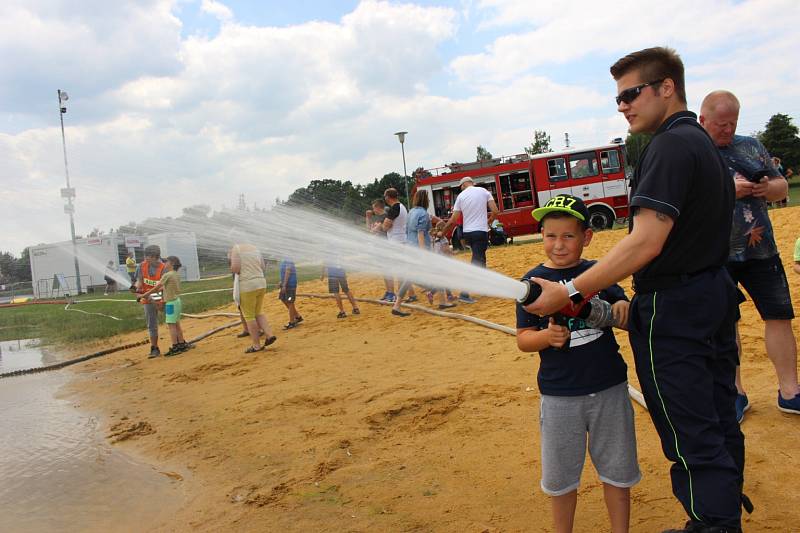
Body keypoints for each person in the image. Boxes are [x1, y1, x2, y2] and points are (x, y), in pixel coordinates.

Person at [526, 47, 746, 533]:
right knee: (718, 418)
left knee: (690, 432)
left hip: (676, 310)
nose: (622, 105)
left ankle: (714, 525)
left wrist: (568, 292)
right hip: (713, 298)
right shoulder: (705, 143)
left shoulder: (668, 146)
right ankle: (723, 515)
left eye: (631, 93)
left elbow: (645, 241)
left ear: (666, 87)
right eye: (618, 97)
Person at [517, 195, 639, 533]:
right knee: (561, 479)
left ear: (586, 237)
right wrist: (546, 339)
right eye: (550, 236)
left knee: (617, 472)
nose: (558, 245)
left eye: (568, 236)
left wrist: (624, 305)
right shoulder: (533, 284)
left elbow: (621, 305)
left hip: (609, 388)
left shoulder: (596, 273)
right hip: (560, 396)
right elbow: (523, 338)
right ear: (541, 236)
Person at [699, 90, 800, 420]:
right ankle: (735, 394)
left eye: (733, 123)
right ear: (703, 120)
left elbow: (782, 186)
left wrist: (767, 189)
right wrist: (730, 189)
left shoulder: (751, 146)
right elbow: (687, 199)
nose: (727, 130)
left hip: (762, 251)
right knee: (726, 325)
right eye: (721, 124)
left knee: (779, 316)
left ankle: (790, 391)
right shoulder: (694, 152)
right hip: (716, 254)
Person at [440, 176, 500, 303]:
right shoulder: (484, 191)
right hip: (480, 232)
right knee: (477, 260)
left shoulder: (461, 197)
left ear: (462, 185)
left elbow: (453, 220)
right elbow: (495, 211)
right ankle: (464, 293)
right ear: (472, 183)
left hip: (468, 233)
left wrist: (442, 232)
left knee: (480, 258)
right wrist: (488, 222)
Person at [391, 190, 434, 317]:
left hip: (409, 247)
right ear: (426, 200)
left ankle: (397, 306)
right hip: (418, 249)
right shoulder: (423, 214)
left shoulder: (411, 212)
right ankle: (431, 290)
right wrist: (423, 253)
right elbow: (420, 234)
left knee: (409, 277)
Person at [230, 241, 276, 353]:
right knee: (258, 312)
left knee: (249, 316)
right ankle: (269, 335)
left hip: (247, 285)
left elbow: (235, 269)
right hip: (261, 282)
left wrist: (231, 261)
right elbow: (263, 266)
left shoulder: (236, 248)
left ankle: (256, 345)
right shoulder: (255, 247)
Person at [139, 256, 189, 356]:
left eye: (166, 261)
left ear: (172, 263)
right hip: (177, 301)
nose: (164, 263)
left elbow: (156, 288)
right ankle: (182, 344)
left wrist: (143, 295)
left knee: (171, 326)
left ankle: (175, 347)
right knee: (177, 324)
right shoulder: (175, 274)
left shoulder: (167, 275)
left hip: (170, 303)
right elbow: (161, 288)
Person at [382, 187, 416, 303]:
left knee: (399, 271)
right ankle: (411, 294)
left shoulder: (394, 208)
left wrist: (382, 226)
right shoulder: (402, 206)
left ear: (387, 197)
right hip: (402, 240)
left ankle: (399, 296)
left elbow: (385, 226)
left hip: (395, 242)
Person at [133, 245, 165, 358]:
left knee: (172, 320)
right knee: (151, 324)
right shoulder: (141, 266)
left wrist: (155, 298)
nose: (145, 258)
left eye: (147, 256)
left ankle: (179, 342)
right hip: (147, 298)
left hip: (162, 296)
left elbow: (163, 287)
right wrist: (135, 289)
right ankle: (154, 348)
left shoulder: (163, 267)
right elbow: (139, 281)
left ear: (154, 257)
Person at [366, 198, 396, 302]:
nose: (372, 209)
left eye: (374, 207)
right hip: (379, 247)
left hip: (385, 247)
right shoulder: (378, 217)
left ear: (378, 207)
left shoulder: (385, 216)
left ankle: (392, 293)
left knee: (388, 271)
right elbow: (369, 229)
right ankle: (388, 292)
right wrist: (368, 217)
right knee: (384, 271)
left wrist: (375, 228)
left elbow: (373, 231)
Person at [426, 220, 457, 308]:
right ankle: (431, 293)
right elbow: (445, 250)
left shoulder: (434, 237)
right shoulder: (443, 238)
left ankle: (449, 295)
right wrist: (453, 252)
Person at [279, 257, 303, 329]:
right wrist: (281, 282)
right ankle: (297, 316)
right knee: (283, 299)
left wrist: (284, 284)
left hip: (290, 284)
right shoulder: (284, 258)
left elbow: (288, 271)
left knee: (290, 301)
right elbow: (284, 272)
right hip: (286, 284)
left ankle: (292, 322)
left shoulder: (289, 257)